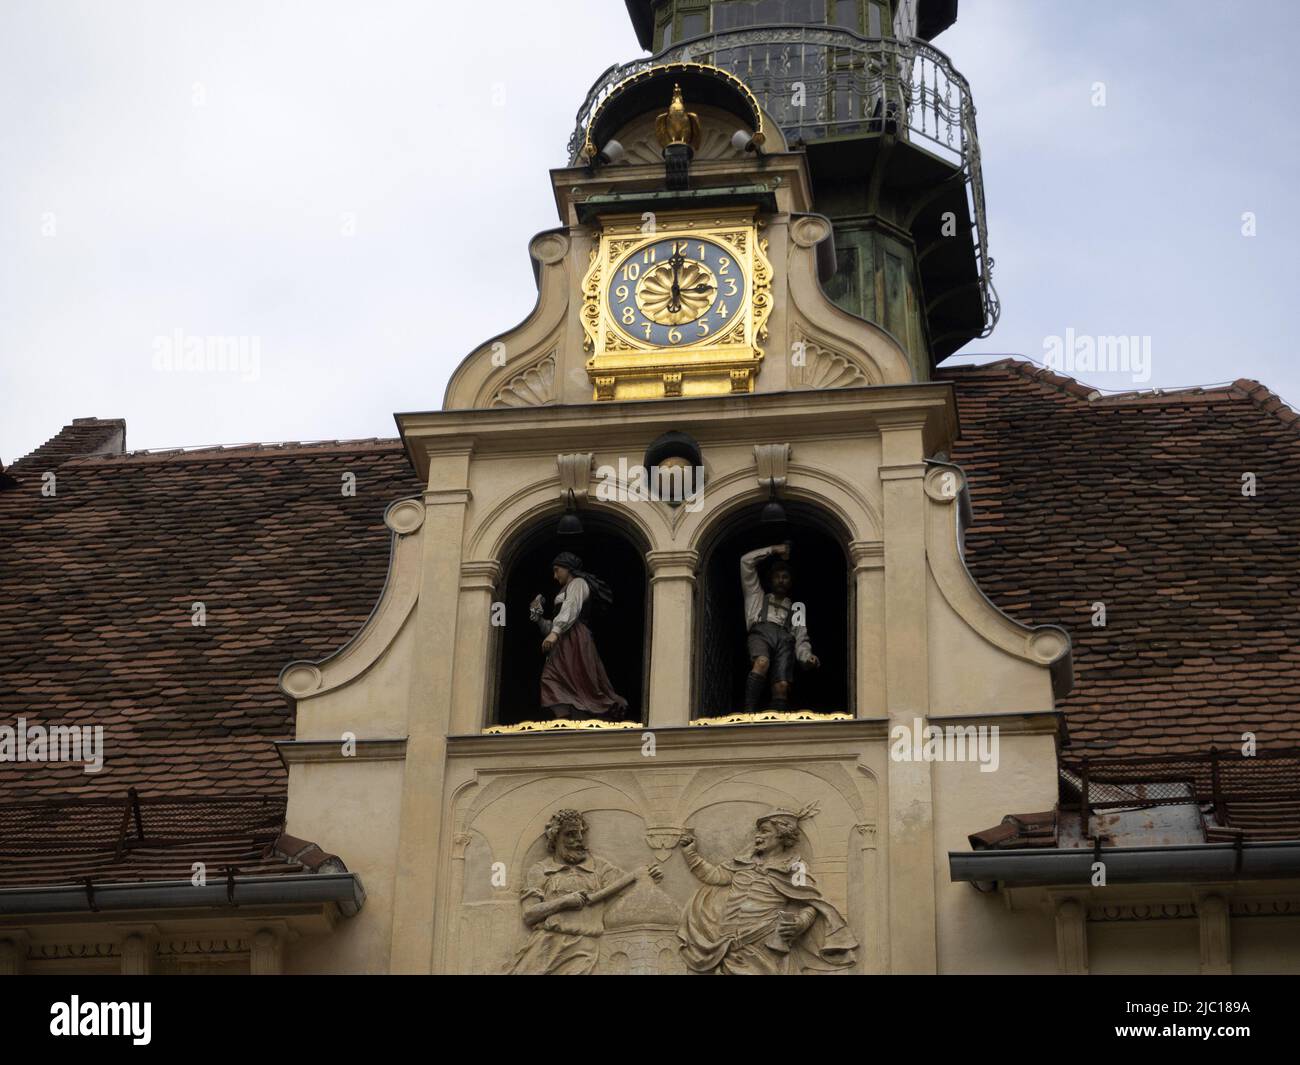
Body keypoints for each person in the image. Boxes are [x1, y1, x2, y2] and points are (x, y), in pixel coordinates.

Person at [676, 804, 858, 975]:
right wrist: (690, 852)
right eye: (758, 831)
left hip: (765, 945)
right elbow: (714, 876)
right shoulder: (742, 862)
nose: (758, 836)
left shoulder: (795, 867)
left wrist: (800, 923)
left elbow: (810, 903)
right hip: (728, 946)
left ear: (782, 834)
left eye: (764, 831)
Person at [511, 809, 662, 975]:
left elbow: (629, 888)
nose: (579, 840)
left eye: (581, 833)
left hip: (584, 951)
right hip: (544, 949)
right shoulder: (540, 870)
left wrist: (648, 876)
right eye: (570, 834)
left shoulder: (599, 867)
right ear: (555, 838)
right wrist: (564, 902)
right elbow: (529, 914)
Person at [530, 552, 628, 720]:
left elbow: (571, 608)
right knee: (551, 677)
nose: (555, 576)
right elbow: (555, 624)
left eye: (557, 570)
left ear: (568, 568)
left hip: (575, 638)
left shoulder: (578, 583)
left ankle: (581, 713)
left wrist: (555, 633)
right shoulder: (565, 590)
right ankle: (563, 719)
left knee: (579, 678)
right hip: (563, 640)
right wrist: (539, 618)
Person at [739, 543, 819, 712]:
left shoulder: (796, 608)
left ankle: (778, 717)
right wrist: (773, 550)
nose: (781, 580)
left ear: (791, 582)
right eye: (777, 576)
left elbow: (801, 637)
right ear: (770, 580)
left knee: (782, 685)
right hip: (761, 634)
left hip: (784, 640)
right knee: (761, 662)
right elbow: (745, 562)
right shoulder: (757, 597)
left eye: (785, 577)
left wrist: (806, 656)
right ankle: (748, 711)